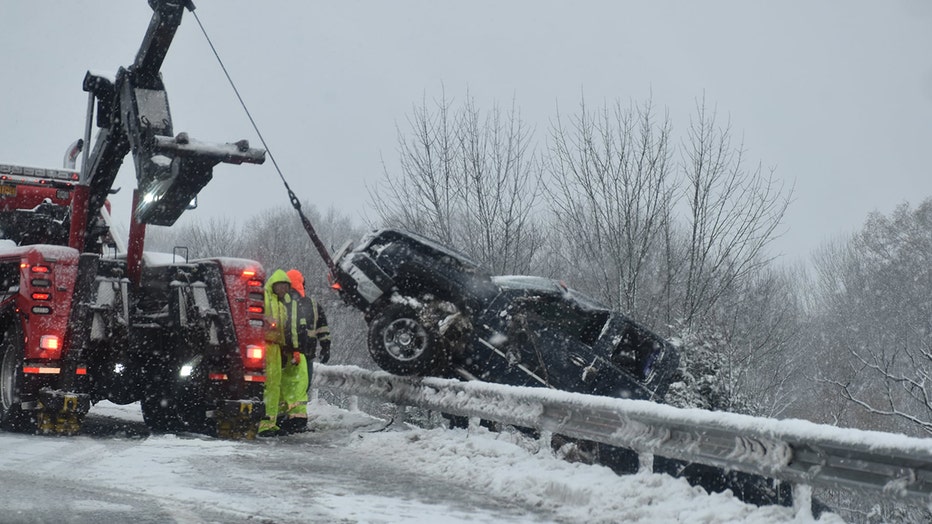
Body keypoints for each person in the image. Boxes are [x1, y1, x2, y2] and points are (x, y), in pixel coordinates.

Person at [258, 268, 308, 437]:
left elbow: (289, 330)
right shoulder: (264, 298)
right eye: (280, 286)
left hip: (277, 348)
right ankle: (263, 424)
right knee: (268, 385)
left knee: (275, 385)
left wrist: (293, 349)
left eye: (286, 287)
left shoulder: (283, 306)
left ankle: (270, 423)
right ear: (273, 285)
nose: (283, 290)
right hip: (264, 345)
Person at [286, 269, 331, 401]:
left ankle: (284, 414)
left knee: (286, 386)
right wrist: (325, 348)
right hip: (306, 354)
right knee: (303, 387)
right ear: (302, 284)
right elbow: (323, 329)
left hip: (285, 355)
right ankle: (295, 414)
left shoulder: (281, 303)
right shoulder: (313, 305)